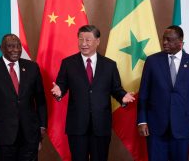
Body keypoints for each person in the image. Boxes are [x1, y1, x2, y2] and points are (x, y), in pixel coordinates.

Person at [51, 25, 135, 161]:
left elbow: (116, 89)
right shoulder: (68, 63)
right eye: (80, 39)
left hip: (101, 125)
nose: (83, 43)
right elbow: (61, 86)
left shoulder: (109, 65)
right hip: (77, 126)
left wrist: (123, 97)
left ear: (97, 41)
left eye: (88, 40)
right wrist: (58, 92)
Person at [137, 25, 189, 161]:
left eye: (169, 40)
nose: (164, 43)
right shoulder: (152, 61)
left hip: (183, 127)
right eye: (164, 39)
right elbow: (144, 94)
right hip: (156, 127)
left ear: (180, 41)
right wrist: (142, 121)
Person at [0, 34, 47, 161]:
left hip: (29, 133)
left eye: (18, 46)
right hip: (3, 133)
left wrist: (42, 125)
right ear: (1, 48)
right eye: (10, 46)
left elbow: (40, 99)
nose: (15, 49)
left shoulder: (32, 67)